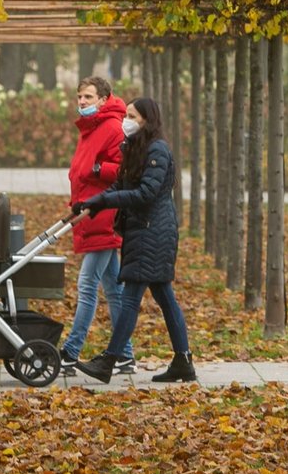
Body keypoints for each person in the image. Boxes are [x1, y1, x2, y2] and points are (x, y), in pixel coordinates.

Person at [69, 96, 196, 384]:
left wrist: (105, 200)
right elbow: (121, 184)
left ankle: (110, 359)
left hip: (153, 231)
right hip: (144, 229)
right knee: (164, 297)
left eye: (132, 116)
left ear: (147, 121)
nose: (126, 121)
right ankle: (183, 361)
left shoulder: (157, 151)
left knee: (130, 297)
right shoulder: (135, 148)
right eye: (126, 115)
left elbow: (145, 194)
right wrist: (92, 202)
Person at [61, 76, 135, 375]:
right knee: (114, 290)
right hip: (90, 213)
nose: (82, 102)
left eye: (88, 97)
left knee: (87, 285)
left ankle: (70, 351)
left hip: (103, 215)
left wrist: (96, 169)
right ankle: (125, 355)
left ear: (104, 99)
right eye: (79, 97)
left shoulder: (113, 129)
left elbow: (124, 172)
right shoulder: (89, 129)